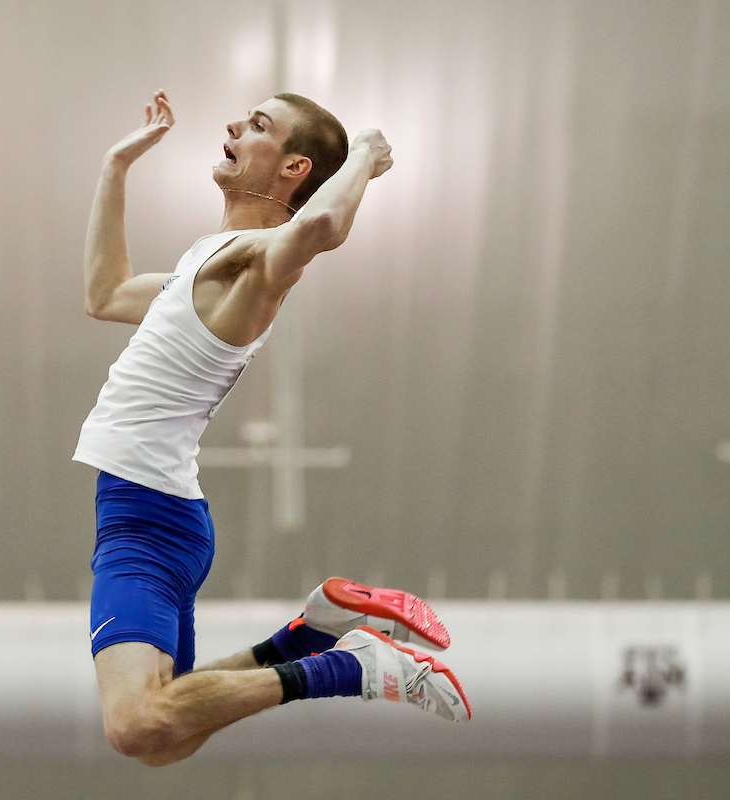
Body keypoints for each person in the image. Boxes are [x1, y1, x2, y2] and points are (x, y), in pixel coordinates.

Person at [73, 90, 470, 767]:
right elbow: (105, 293)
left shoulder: (252, 261)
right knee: (168, 735)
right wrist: (115, 168)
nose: (233, 125)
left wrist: (367, 153)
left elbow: (318, 231)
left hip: (145, 517)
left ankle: (356, 667)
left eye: (259, 125)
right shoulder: (206, 263)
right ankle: (307, 637)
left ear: (293, 168)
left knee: (137, 727)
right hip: (160, 513)